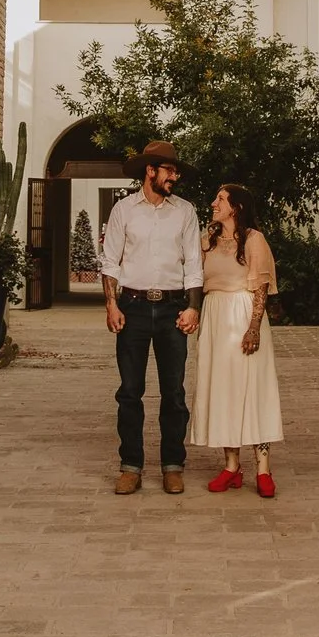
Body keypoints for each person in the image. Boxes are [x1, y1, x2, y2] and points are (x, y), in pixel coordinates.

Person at [100, 140, 202, 494]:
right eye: (170, 170)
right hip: (133, 308)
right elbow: (110, 261)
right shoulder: (124, 211)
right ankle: (131, 466)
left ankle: (173, 465)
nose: (175, 176)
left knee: (173, 392)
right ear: (150, 171)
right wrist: (112, 304)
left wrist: (193, 306)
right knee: (130, 392)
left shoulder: (185, 211)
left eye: (176, 171)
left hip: (174, 309)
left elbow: (193, 263)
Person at [190, 181, 284, 498]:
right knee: (223, 389)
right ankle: (231, 466)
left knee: (253, 388)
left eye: (221, 199)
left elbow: (260, 287)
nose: (214, 203)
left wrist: (254, 326)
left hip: (243, 313)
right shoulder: (207, 240)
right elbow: (192, 278)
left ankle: (263, 468)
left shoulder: (254, 240)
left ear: (236, 207)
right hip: (215, 316)